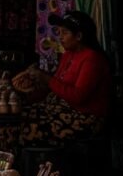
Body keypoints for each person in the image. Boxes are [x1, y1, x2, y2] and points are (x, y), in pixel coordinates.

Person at [15, 11, 111, 147]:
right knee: (14, 119)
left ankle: (36, 167)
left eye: (65, 33)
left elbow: (78, 96)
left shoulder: (92, 59)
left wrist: (46, 79)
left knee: (25, 129)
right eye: (59, 32)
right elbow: (57, 85)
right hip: (60, 110)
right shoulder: (68, 54)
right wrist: (34, 83)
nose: (60, 37)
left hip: (84, 117)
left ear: (78, 36)